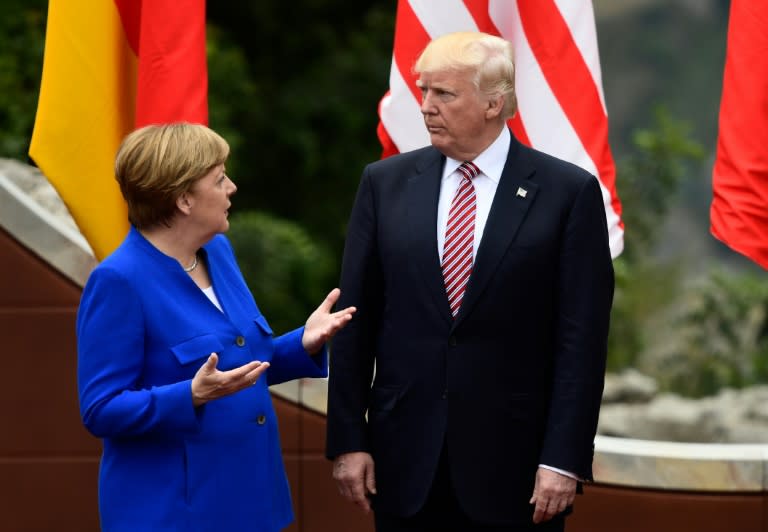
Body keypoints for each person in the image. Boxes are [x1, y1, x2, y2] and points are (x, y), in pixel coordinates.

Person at [326, 31, 613, 531]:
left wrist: (563, 458)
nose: (425, 107)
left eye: (444, 94)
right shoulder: (384, 184)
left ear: (493, 103)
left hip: (518, 471)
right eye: (423, 91)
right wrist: (349, 439)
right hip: (403, 463)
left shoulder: (568, 194)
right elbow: (356, 319)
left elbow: (581, 342)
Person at [77, 122, 356, 532]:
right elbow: (100, 409)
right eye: (220, 178)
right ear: (185, 199)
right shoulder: (119, 282)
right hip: (175, 514)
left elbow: (236, 367)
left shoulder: (216, 251)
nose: (232, 188)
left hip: (254, 503)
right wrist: (188, 395)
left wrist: (304, 343)